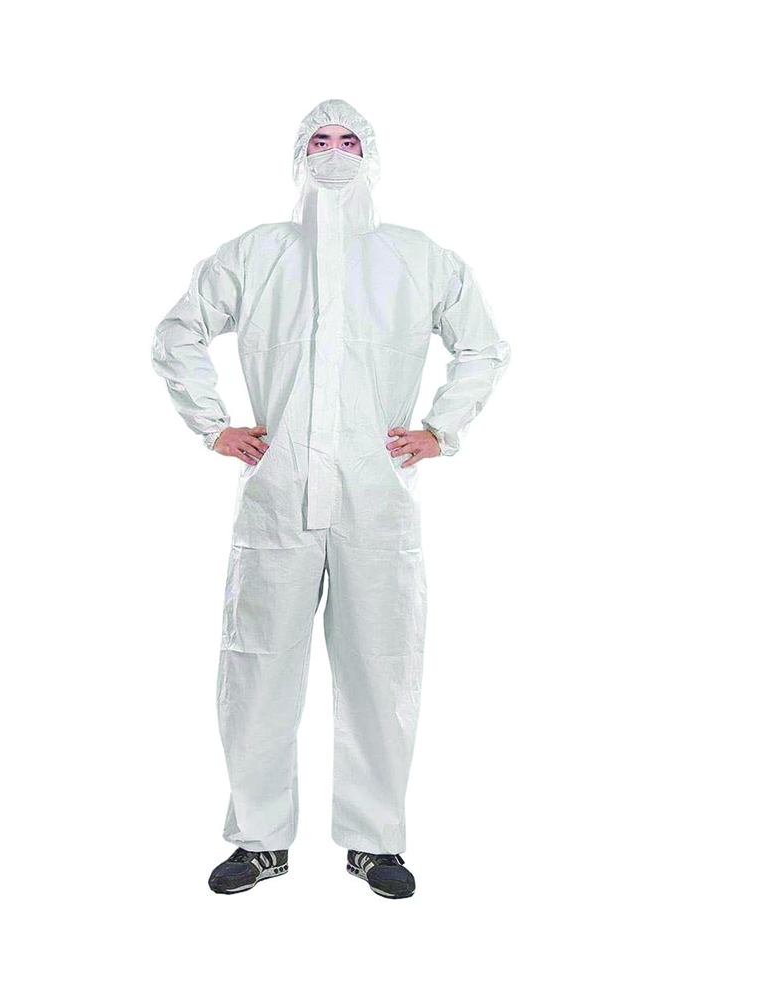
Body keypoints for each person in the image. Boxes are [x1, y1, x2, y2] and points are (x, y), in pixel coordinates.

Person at [151, 98, 511, 899]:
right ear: (298, 155)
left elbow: (484, 346)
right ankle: (259, 840)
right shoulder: (256, 253)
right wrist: (212, 426)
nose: (335, 151)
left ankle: (375, 843)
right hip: (277, 495)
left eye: (350, 139)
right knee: (257, 668)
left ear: (372, 155)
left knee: (382, 668)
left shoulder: (417, 257)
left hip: (377, 498)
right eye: (320, 139)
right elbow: (177, 333)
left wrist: (441, 429)